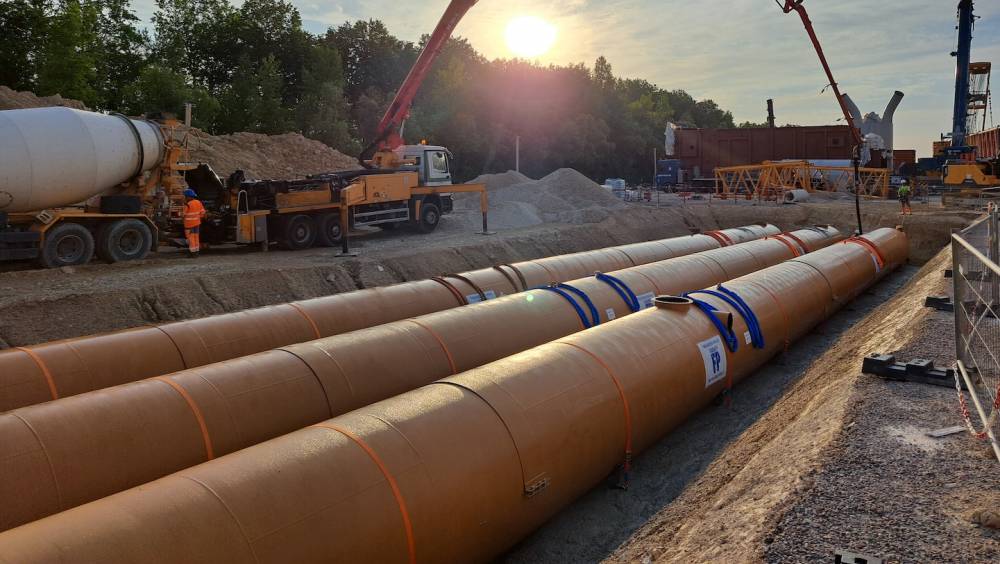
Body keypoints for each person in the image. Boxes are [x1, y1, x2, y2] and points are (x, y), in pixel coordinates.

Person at [182, 188, 205, 257]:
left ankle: (192, 253)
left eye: (185, 196)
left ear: (188, 196)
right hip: (197, 224)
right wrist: (197, 217)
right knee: (196, 238)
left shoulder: (187, 204)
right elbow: (203, 213)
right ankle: (196, 252)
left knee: (191, 239)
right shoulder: (198, 202)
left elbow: (183, 214)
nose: (185, 198)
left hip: (189, 225)